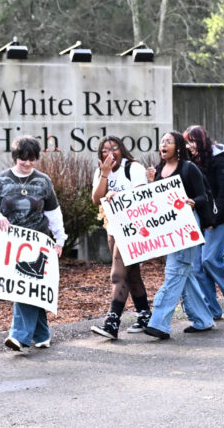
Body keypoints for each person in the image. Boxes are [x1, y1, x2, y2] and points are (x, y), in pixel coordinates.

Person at [0, 135, 67, 351]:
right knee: (27, 287)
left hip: (38, 243)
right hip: (10, 244)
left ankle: (19, 336)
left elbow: (53, 212)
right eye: (23, 158)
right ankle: (42, 334)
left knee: (27, 285)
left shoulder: (43, 181)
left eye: (31, 159)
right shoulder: (0, 180)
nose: (27, 163)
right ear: (15, 157)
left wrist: (60, 239)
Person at [143, 131, 215, 339]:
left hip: (187, 226)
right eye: (162, 142)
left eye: (168, 142)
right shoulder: (158, 170)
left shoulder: (188, 168)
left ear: (178, 147)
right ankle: (203, 319)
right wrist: (151, 182)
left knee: (175, 271)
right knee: (185, 272)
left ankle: (159, 323)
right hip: (169, 229)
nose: (163, 145)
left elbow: (203, 196)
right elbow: (155, 201)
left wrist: (192, 202)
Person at [90, 136, 151, 340]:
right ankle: (144, 315)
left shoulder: (133, 168)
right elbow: (96, 199)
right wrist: (104, 175)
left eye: (115, 148)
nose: (110, 153)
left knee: (117, 274)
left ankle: (112, 322)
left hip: (133, 228)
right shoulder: (101, 171)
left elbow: (142, 194)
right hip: (113, 228)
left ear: (122, 150)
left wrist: (120, 196)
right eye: (105, 150)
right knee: (131, 274)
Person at [183, 125, 224, 319]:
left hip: (219, 218)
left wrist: (213, 219)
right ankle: (211, 309)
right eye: (186, 142)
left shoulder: (219, 160)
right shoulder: (189, 162)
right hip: (198, 218)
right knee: (197, 267)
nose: (189, 146)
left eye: (192, 141)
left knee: (209, 259)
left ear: (201, 141)